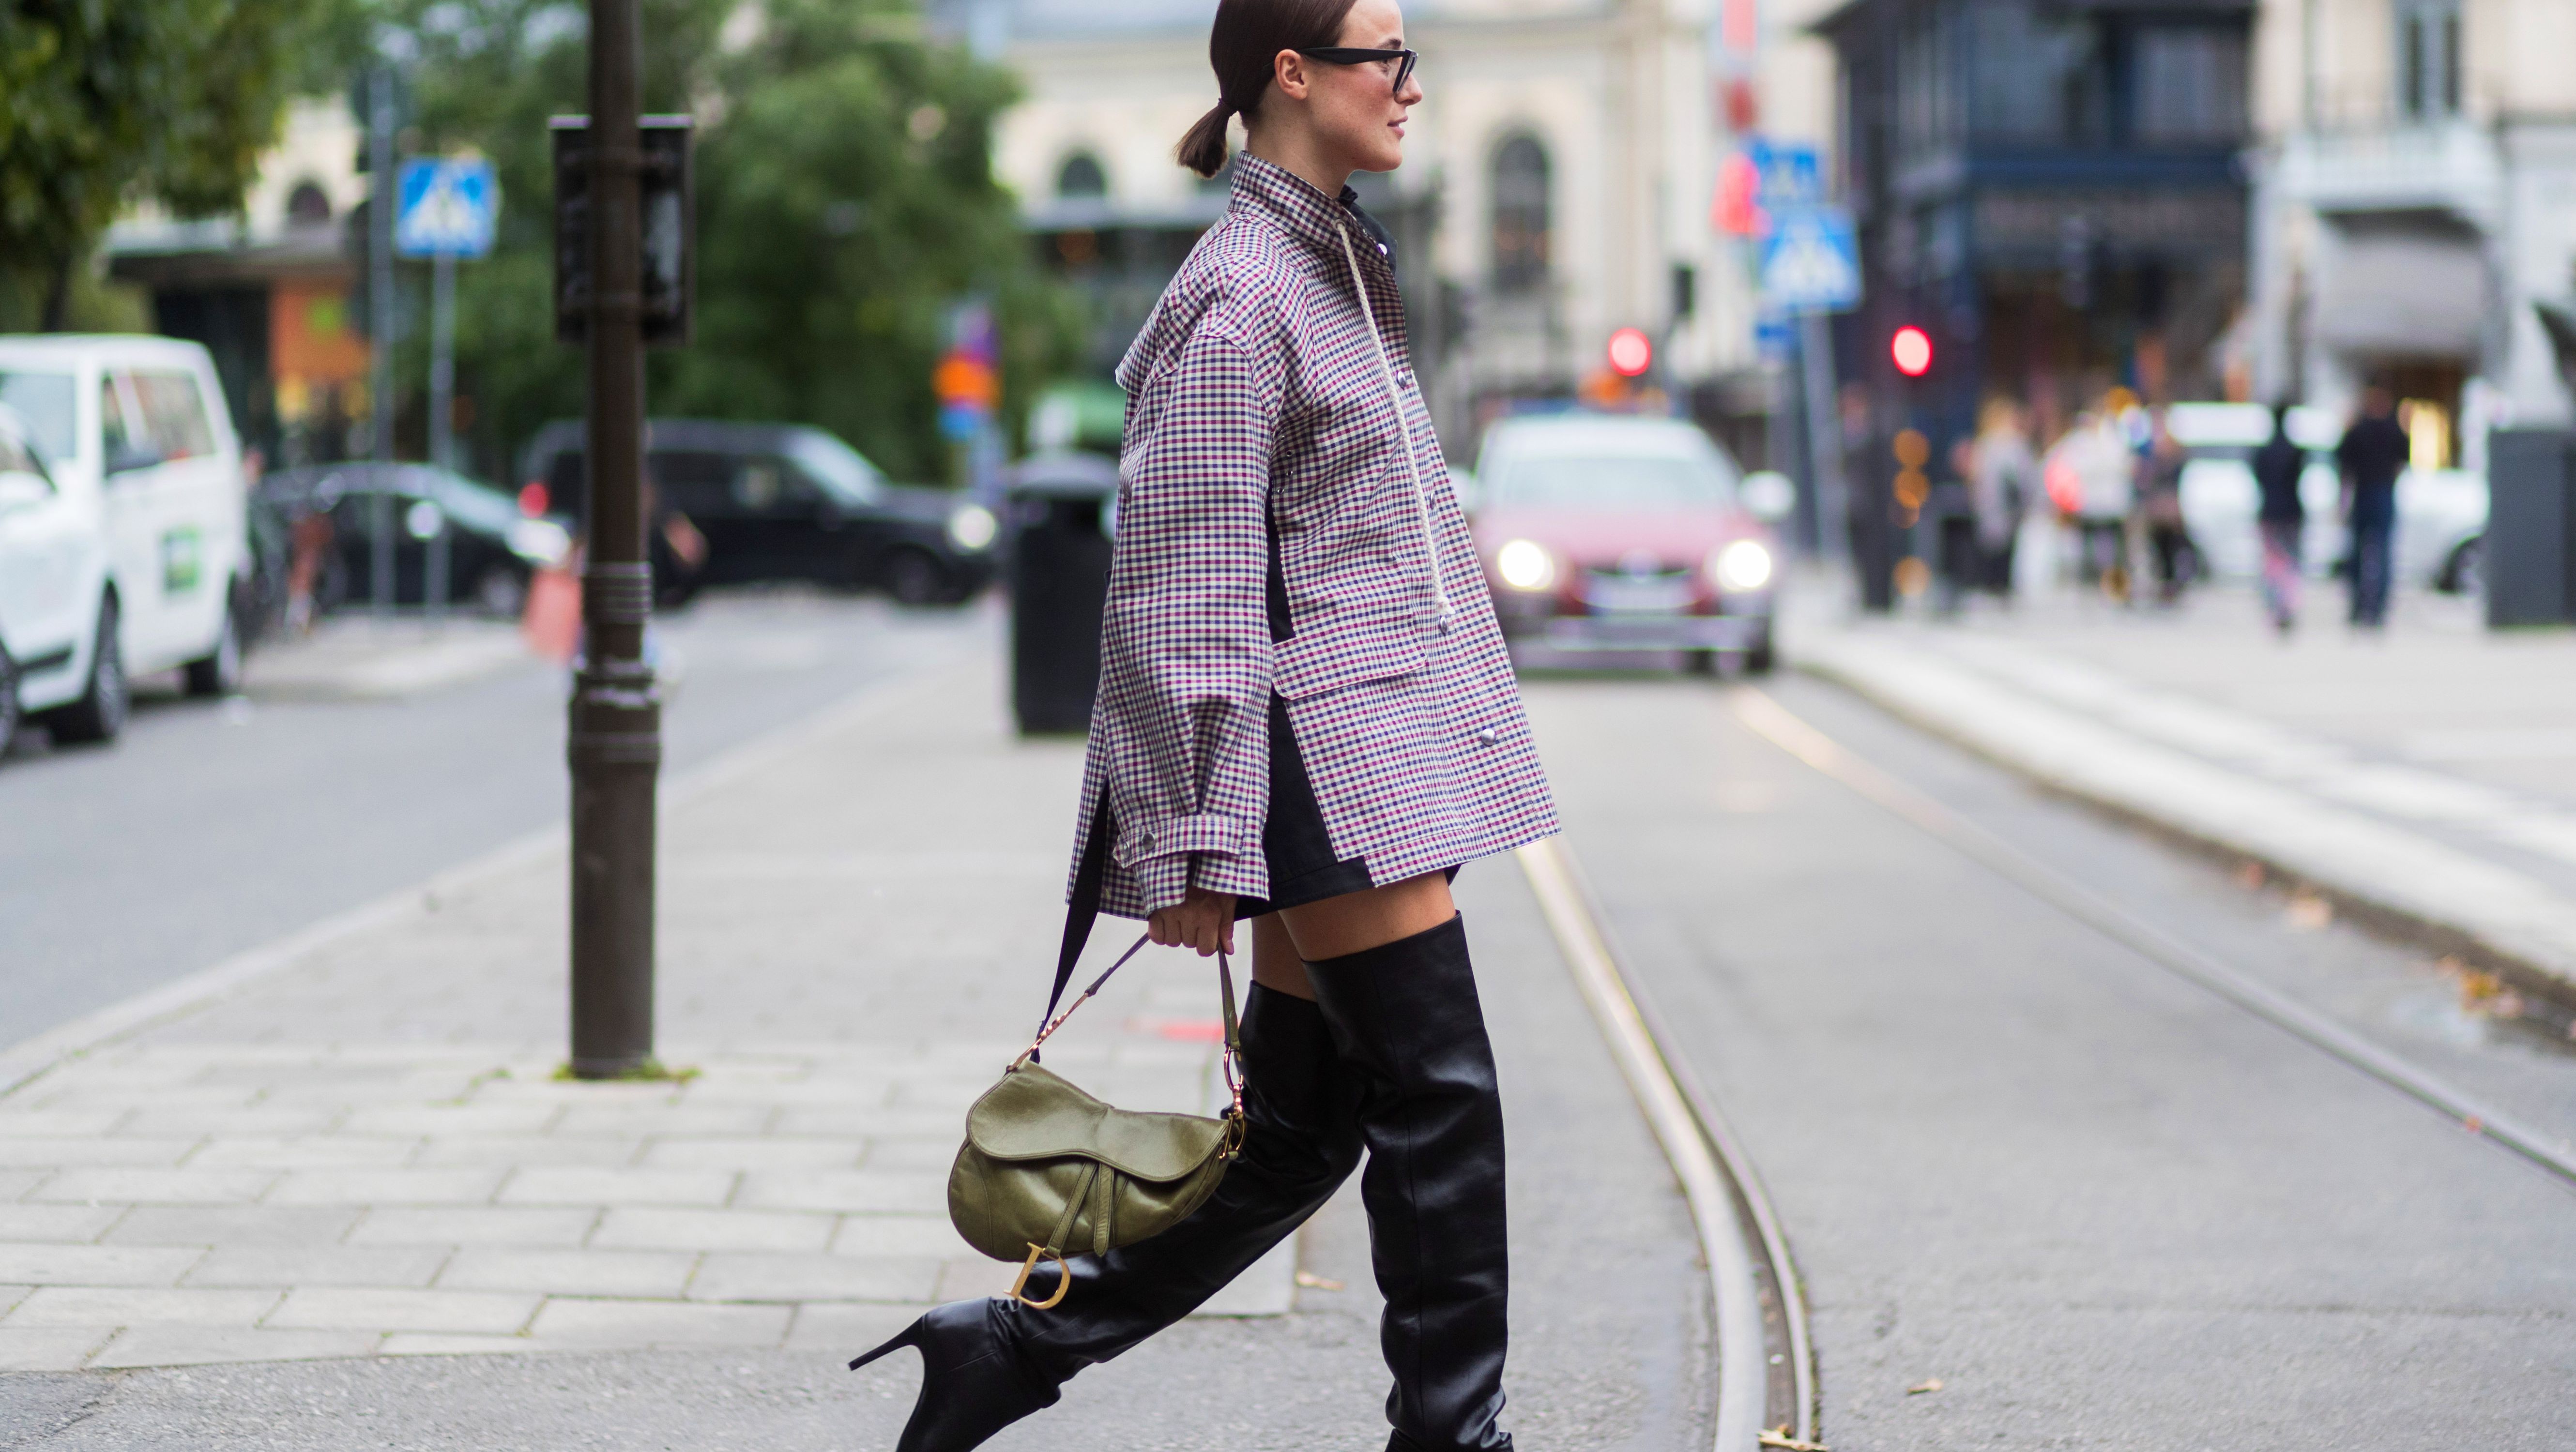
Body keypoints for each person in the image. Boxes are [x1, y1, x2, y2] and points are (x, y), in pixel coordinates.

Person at [847, 3, 1557, 1449]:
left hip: (1361, 749)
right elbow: (1186, 590)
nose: (1412, 85)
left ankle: (1007, 1346)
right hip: (1319, 760)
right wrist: (1192, 843)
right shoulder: (1240, 299)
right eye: (1386, 55)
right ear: (1292, 74)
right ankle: (1453, 1435)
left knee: (1304, 1126)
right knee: (1440, 1096)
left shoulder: (1328, 259)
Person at [2335, 384, 2408, 628]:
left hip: (2366, 492)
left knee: (2361, 552)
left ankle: (2360, 608)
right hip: (2380, 492)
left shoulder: (2359, 428)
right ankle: (2376, 609)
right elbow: (2403, 461)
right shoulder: (2392, 429)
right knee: (2380, 552)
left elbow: (2344, 466)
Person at [1965, 396, 2036, 599]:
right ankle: (1990, 588)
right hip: (1990, 508)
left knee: (2007, 554)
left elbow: (2025, 479)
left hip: (2010, 510)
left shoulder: (2016, 446)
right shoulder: (1987, 445)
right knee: (1990, 553)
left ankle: (2002, 589)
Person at [2252, 403, 2305, 634]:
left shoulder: (2263, 451)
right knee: (2291, 562)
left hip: (2270, 511)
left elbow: (2258, 478)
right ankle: (2288, 605)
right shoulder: (2296, 450)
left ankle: (2274, 605)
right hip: (2292, 511)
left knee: (2272, 561)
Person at [2135, 408, 2190, 605]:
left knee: (2171, 547)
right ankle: (2165, 584)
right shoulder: (2152, 451)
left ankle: (2170, 584)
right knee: (2160, 547)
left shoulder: (2171, 451)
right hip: (2159, 509)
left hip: (2166, 508)